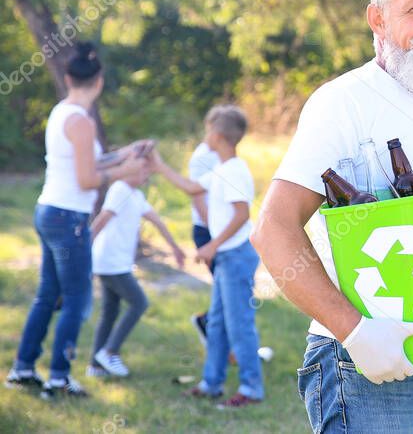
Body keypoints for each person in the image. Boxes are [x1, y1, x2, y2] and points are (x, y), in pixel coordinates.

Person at [251, 0, 413, 433]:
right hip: (363, 371)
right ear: (377, 19)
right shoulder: (343, 103)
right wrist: (357, 333)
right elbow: (273, 230)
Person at [7, 42, 149, 399]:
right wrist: (124, 172)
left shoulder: (61, 112)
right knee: (77, 299)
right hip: (68, 218)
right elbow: (87, 180)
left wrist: (123, 153)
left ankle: (23, 368)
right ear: (98, 81)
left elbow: (85, 165)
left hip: (49, 210)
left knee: (47, 295)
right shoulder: (83, 123)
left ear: (68, 77)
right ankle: (59, 377)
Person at [149, 105, 264, 408]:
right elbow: (191, 187)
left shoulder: (235, 171)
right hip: (226, 257)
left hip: (236, 256)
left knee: (239, 324)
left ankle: (251, 389)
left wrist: (212, 246)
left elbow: (242, 215)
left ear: (216, 135)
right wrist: (158, 165)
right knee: (216, 324)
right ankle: (211, 383)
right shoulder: (222, 169)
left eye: (207, 129)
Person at [88, 169, 187, 378]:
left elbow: (156, 221)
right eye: (142, 170)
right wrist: (83, 250)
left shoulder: (136, 195)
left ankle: (95, 366)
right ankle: (109, 351)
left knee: (110, 312)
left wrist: (175, 248)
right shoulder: (120, 190)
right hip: (110, 261)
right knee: (139, 303)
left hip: (117, 263)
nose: (147, 175)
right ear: (129, 168)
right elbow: (102, 219)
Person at [186, 140, 220, 347]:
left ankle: (227, 350)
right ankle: (205, 322)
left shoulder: (219, 155)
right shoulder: (203, 157)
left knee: (230, 293)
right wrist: (216, 237)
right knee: (230, 294)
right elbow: (197, 197)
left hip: (217, 232)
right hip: (208, 231)